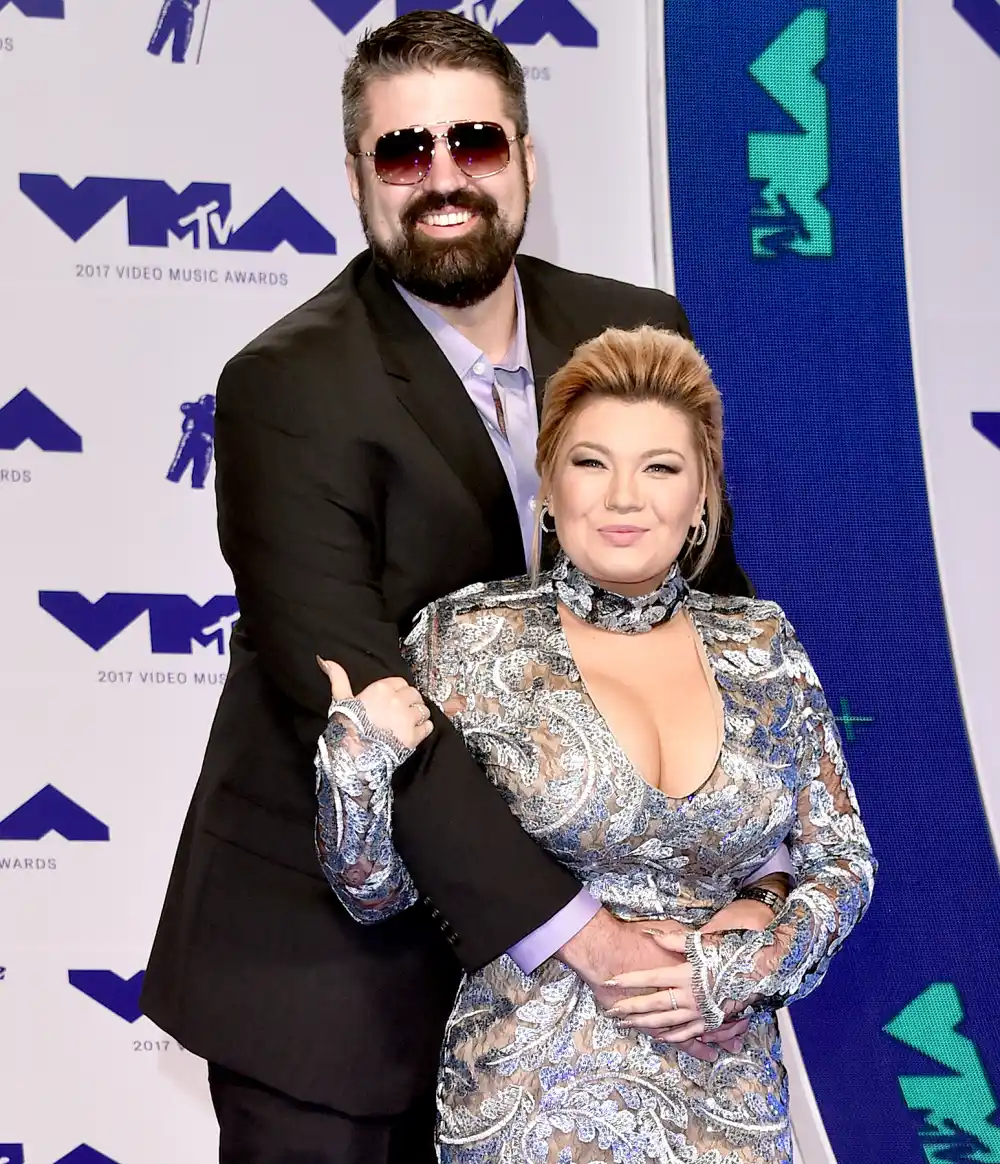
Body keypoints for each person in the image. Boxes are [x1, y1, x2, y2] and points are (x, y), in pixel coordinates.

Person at [140, 11, 792, 1162]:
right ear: (357, 176)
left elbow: (712, 628)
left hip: (587, 1011)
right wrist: (591, 941)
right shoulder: (287, 387)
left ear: (525, 157)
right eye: (403, 151)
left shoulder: (635, 330)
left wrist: (757, 878)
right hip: (340, 984)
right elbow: (366, 707)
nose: (443, 179)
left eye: (474, 141)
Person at [316, 325, 877, 1163]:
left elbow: (842, 860)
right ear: (548, 486)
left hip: (730, 1109)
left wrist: (749, 964)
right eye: (591, 462)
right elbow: (377, 892)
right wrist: (356, 764)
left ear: (701, 498)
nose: (623, 497)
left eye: (660, 468)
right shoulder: (466, 639)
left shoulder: (762, 644)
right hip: (534, 1111)